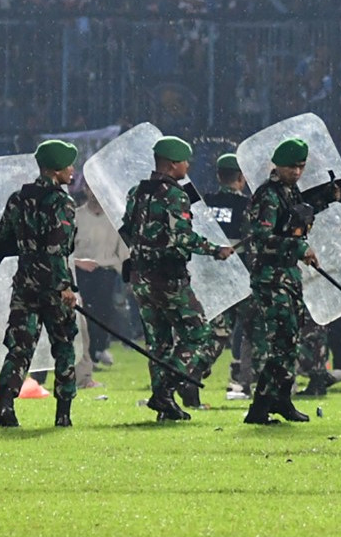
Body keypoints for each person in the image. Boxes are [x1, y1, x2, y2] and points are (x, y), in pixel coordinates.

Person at [120, 136, 236, 421]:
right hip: (168, 278)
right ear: (173, 164)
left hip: (140, 277)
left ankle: (166, 406)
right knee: (198, 333)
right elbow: (181, 237)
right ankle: (165, 391)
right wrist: (214, 250)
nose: (188, 166)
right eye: (185, 161)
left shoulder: (137, 191)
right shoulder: (175, 195)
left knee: (158, 342)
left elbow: (127, 230)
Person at [0, 140, 82, 428]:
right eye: (68, 164)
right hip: (54, 286)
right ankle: (63, 414)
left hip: (25, 284)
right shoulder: (63, 202)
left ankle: (5, 404)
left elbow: (2, 237)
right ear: (56, 170)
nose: (72, 170)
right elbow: (57, 249)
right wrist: (65, 287)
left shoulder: (19, 198)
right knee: (64, 345)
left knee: (20, 346)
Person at [242, 138, 318, 424]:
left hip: (288, 275)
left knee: (291, 340)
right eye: (291, 167)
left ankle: (282, 400)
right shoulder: (269, 196)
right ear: (278, 166)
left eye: (301, 167)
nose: (296, 172)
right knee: (280, 343)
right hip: (270, 277)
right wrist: (299, 248)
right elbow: (261, 238)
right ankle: (260, 407)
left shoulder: (291, 193)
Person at [201, 153, 252, 397]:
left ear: (219, 176)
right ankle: (249, 382)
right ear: (241, 178)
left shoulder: (205, 203)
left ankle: (191, 374)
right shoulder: (247, 206)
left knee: (215, 332)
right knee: (252, 329)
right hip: (240, 275)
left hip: (210, 276)